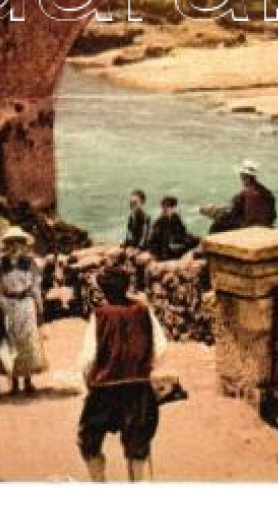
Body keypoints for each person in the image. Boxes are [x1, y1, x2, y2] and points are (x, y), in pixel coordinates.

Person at [77, 265, 167, 482]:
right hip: (138, 387)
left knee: (89, 441)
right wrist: (145, 367)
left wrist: (88, 382)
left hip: (104, 389)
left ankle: (100, 484)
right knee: (137, 444)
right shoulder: (143, 311)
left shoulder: (99, 316)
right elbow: (161, 347)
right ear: (127, 288)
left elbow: (89, 357)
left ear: (103, 290)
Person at [0, 226, 47, 395]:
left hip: (26, 304)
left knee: (28, 341)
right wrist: (2, 304)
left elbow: (36, 286)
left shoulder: (30, 263)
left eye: (19, 242)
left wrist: (39, 308)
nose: (15, 246)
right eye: (11, 242)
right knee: (11, 341)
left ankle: (28, 380)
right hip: (9, 304)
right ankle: (14, 381)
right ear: (6, 244)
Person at [202, 161, 277, 233]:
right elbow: (273, 215)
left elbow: (250, 219)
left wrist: (217, 214)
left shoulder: (247, 193)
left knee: (217, 225)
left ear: (243, 176)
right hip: (265, 226)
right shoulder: (267, 192)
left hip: (251, 229)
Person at [146, 196, 198, 261]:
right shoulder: (160, 221)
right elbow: (157, 240)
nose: (166, 209)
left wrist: (189, 238)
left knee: (196, 240)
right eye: (165, 207)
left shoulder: (175, 217)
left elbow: (183, 231)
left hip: (174, 243)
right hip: (165, 249)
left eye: (170, 207)